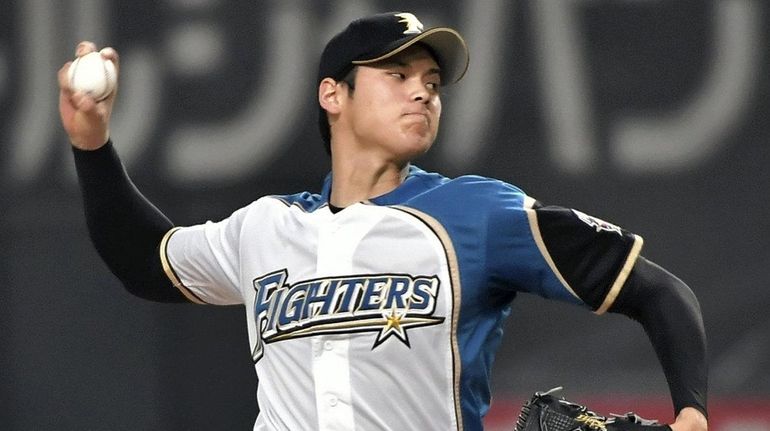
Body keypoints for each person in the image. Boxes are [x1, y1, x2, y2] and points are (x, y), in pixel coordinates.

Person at [58, 11, 708, 431]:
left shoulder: (478, 214)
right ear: (332, 94)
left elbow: (657, 291)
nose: (423, 89)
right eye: (396, 73)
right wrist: (91, 142)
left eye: (431, 79)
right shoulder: (264, 227)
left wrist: (692, 416)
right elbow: (144, 258)